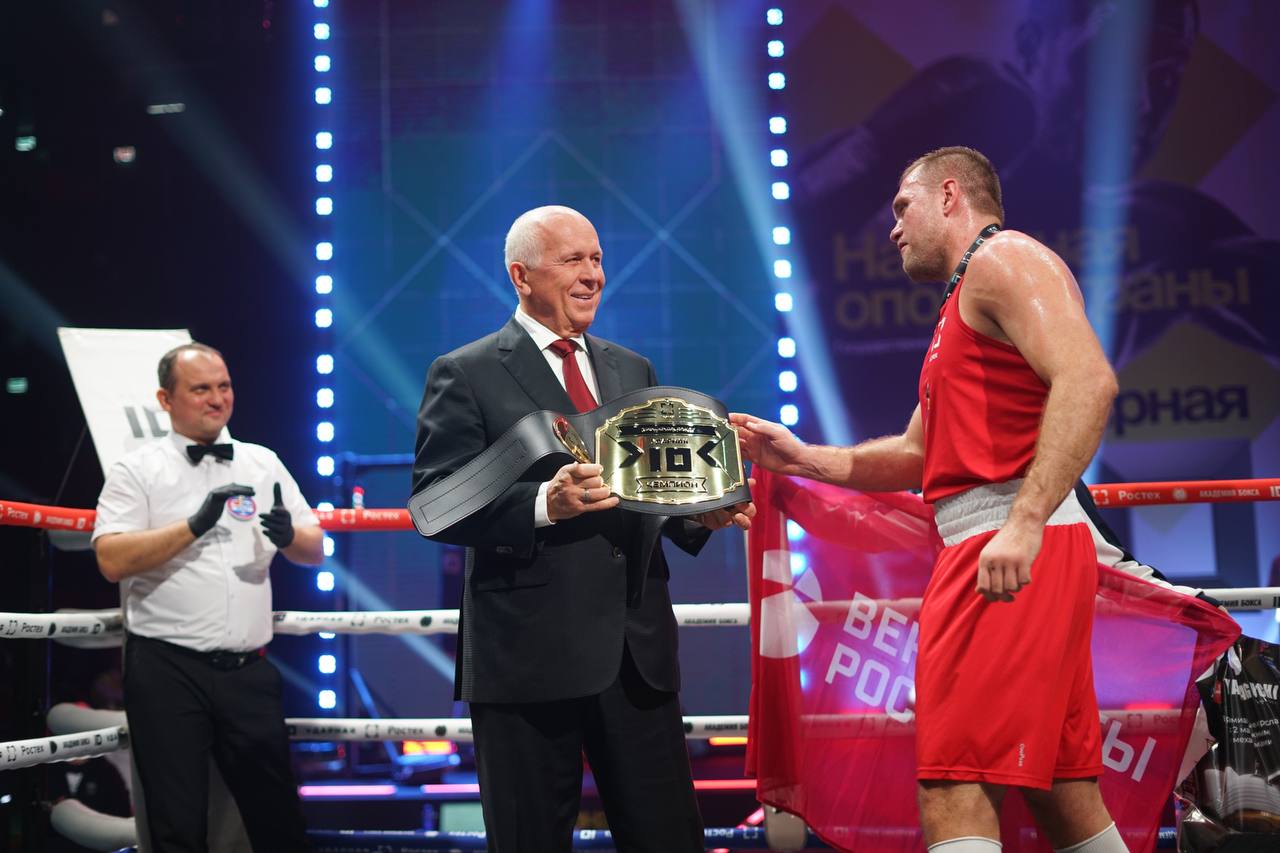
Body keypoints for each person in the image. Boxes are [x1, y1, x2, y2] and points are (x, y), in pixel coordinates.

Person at [733, 148, 1127, 853]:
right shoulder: (963, 302)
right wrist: (802, 458)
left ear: (949, 196)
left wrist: (1023, 522)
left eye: (902, 207)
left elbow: (1089, 380)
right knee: (1064, 791)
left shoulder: (1005, 259)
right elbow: (918, 454)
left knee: (953, 784)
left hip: (1003, 550)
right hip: (1004, 546)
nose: (892, 228)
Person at [411, 205, 754, 853]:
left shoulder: (632, 369)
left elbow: (653, 495)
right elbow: (436, 501)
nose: (593, 274)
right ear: (521, 276)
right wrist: (545, 502)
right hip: (527, 661)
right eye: (573, 260)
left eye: (597, 258)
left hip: (637, 658)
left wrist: (701, 515)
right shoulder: (466, 371)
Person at [92, 342, 321, 852]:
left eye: (224, 386)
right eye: (200, 389)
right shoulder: (138, 470)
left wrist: (290, 537)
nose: (217, 399)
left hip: (248, 670)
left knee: (280, 821)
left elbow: (315, 548)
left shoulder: (262, 462)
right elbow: (110, 558)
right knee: (178, 824)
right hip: (167, 671)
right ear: (165, 399)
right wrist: (194, 525)